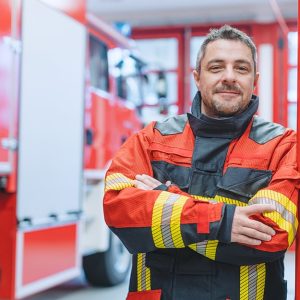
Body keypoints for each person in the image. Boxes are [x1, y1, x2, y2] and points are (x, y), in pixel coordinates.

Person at [103, 25, 299, 300]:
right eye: (216, 67)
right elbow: (120, 213)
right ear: (197, 77)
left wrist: (163, 199)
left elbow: (270, 237)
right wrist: (224, 222)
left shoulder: (284, 145)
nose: (229, 77)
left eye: (241, 69)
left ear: (254, 80)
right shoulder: (150, 139)